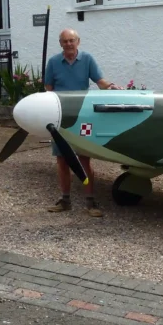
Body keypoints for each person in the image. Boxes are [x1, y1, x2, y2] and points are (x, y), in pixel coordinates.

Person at [42, 28, 120, 217]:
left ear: (78, 41)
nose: (69, 44)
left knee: (84, 159)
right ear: (60, 43)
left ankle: (90, 201)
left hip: (82, 118)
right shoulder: (53, 62)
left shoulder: (87, 59)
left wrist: (110, 87)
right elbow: (48, 88)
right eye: (65, 41)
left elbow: (99, 81)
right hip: (60, 117)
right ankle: (65, 200)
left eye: (72, 40)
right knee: (62, 160)